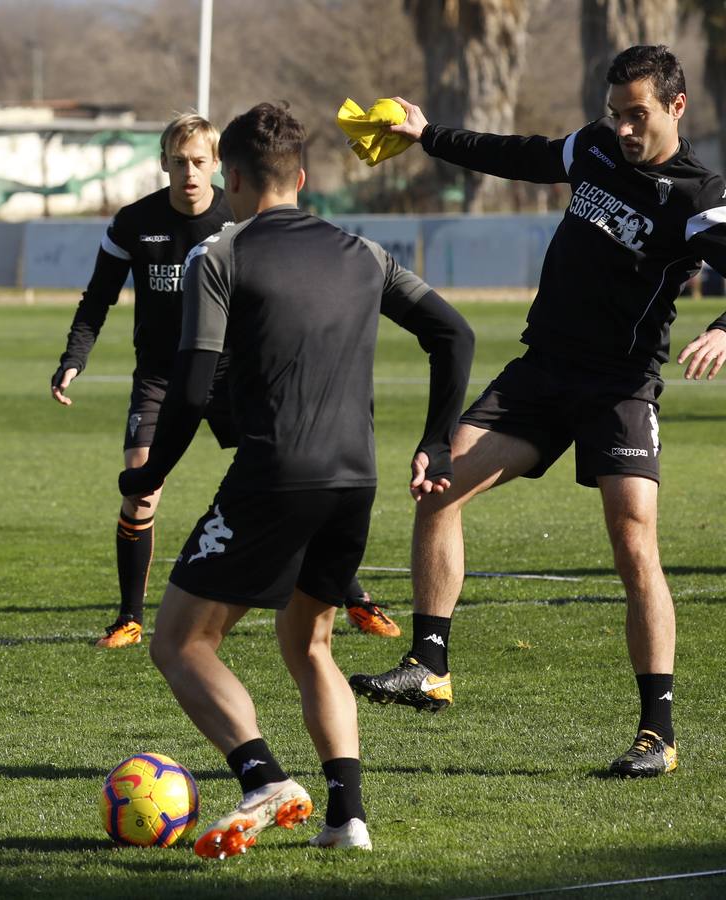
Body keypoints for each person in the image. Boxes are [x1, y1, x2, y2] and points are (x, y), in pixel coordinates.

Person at [348, 45, 726, 778]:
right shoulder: (591, 147)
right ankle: (430, 665)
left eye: (637, 114)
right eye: (614, 112)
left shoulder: (696, 196)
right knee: (440, 483)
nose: (620, 127)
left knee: (635, 542)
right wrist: (428, 135)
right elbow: (519, 155)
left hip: (620, 386)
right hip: (541, 372)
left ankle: (658, 733)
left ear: (677, 107)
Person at [120, 102, 473, 857]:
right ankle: (348, 820)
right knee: (309, 641)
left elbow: (187, 392)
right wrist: (436, 442)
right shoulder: (361, 251)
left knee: (181, 642)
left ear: (233, 176)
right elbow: (455, 332)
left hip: (275, 474)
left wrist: (149, 472)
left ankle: (262, 776)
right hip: (355, 479)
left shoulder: (219, 256)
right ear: (304, 178)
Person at [51, 113, 401, 647]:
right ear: (163, 164)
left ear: (219, 165)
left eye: (198, 162)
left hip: (235, 371)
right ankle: (128, 618)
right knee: (142, 492)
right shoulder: (131, 223)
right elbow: (96, 298)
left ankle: (355, 596)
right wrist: (75, 356)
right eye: (177, 162)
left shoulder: (236, 216)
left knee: (288, 481)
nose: (188, 173)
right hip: (162, 376)